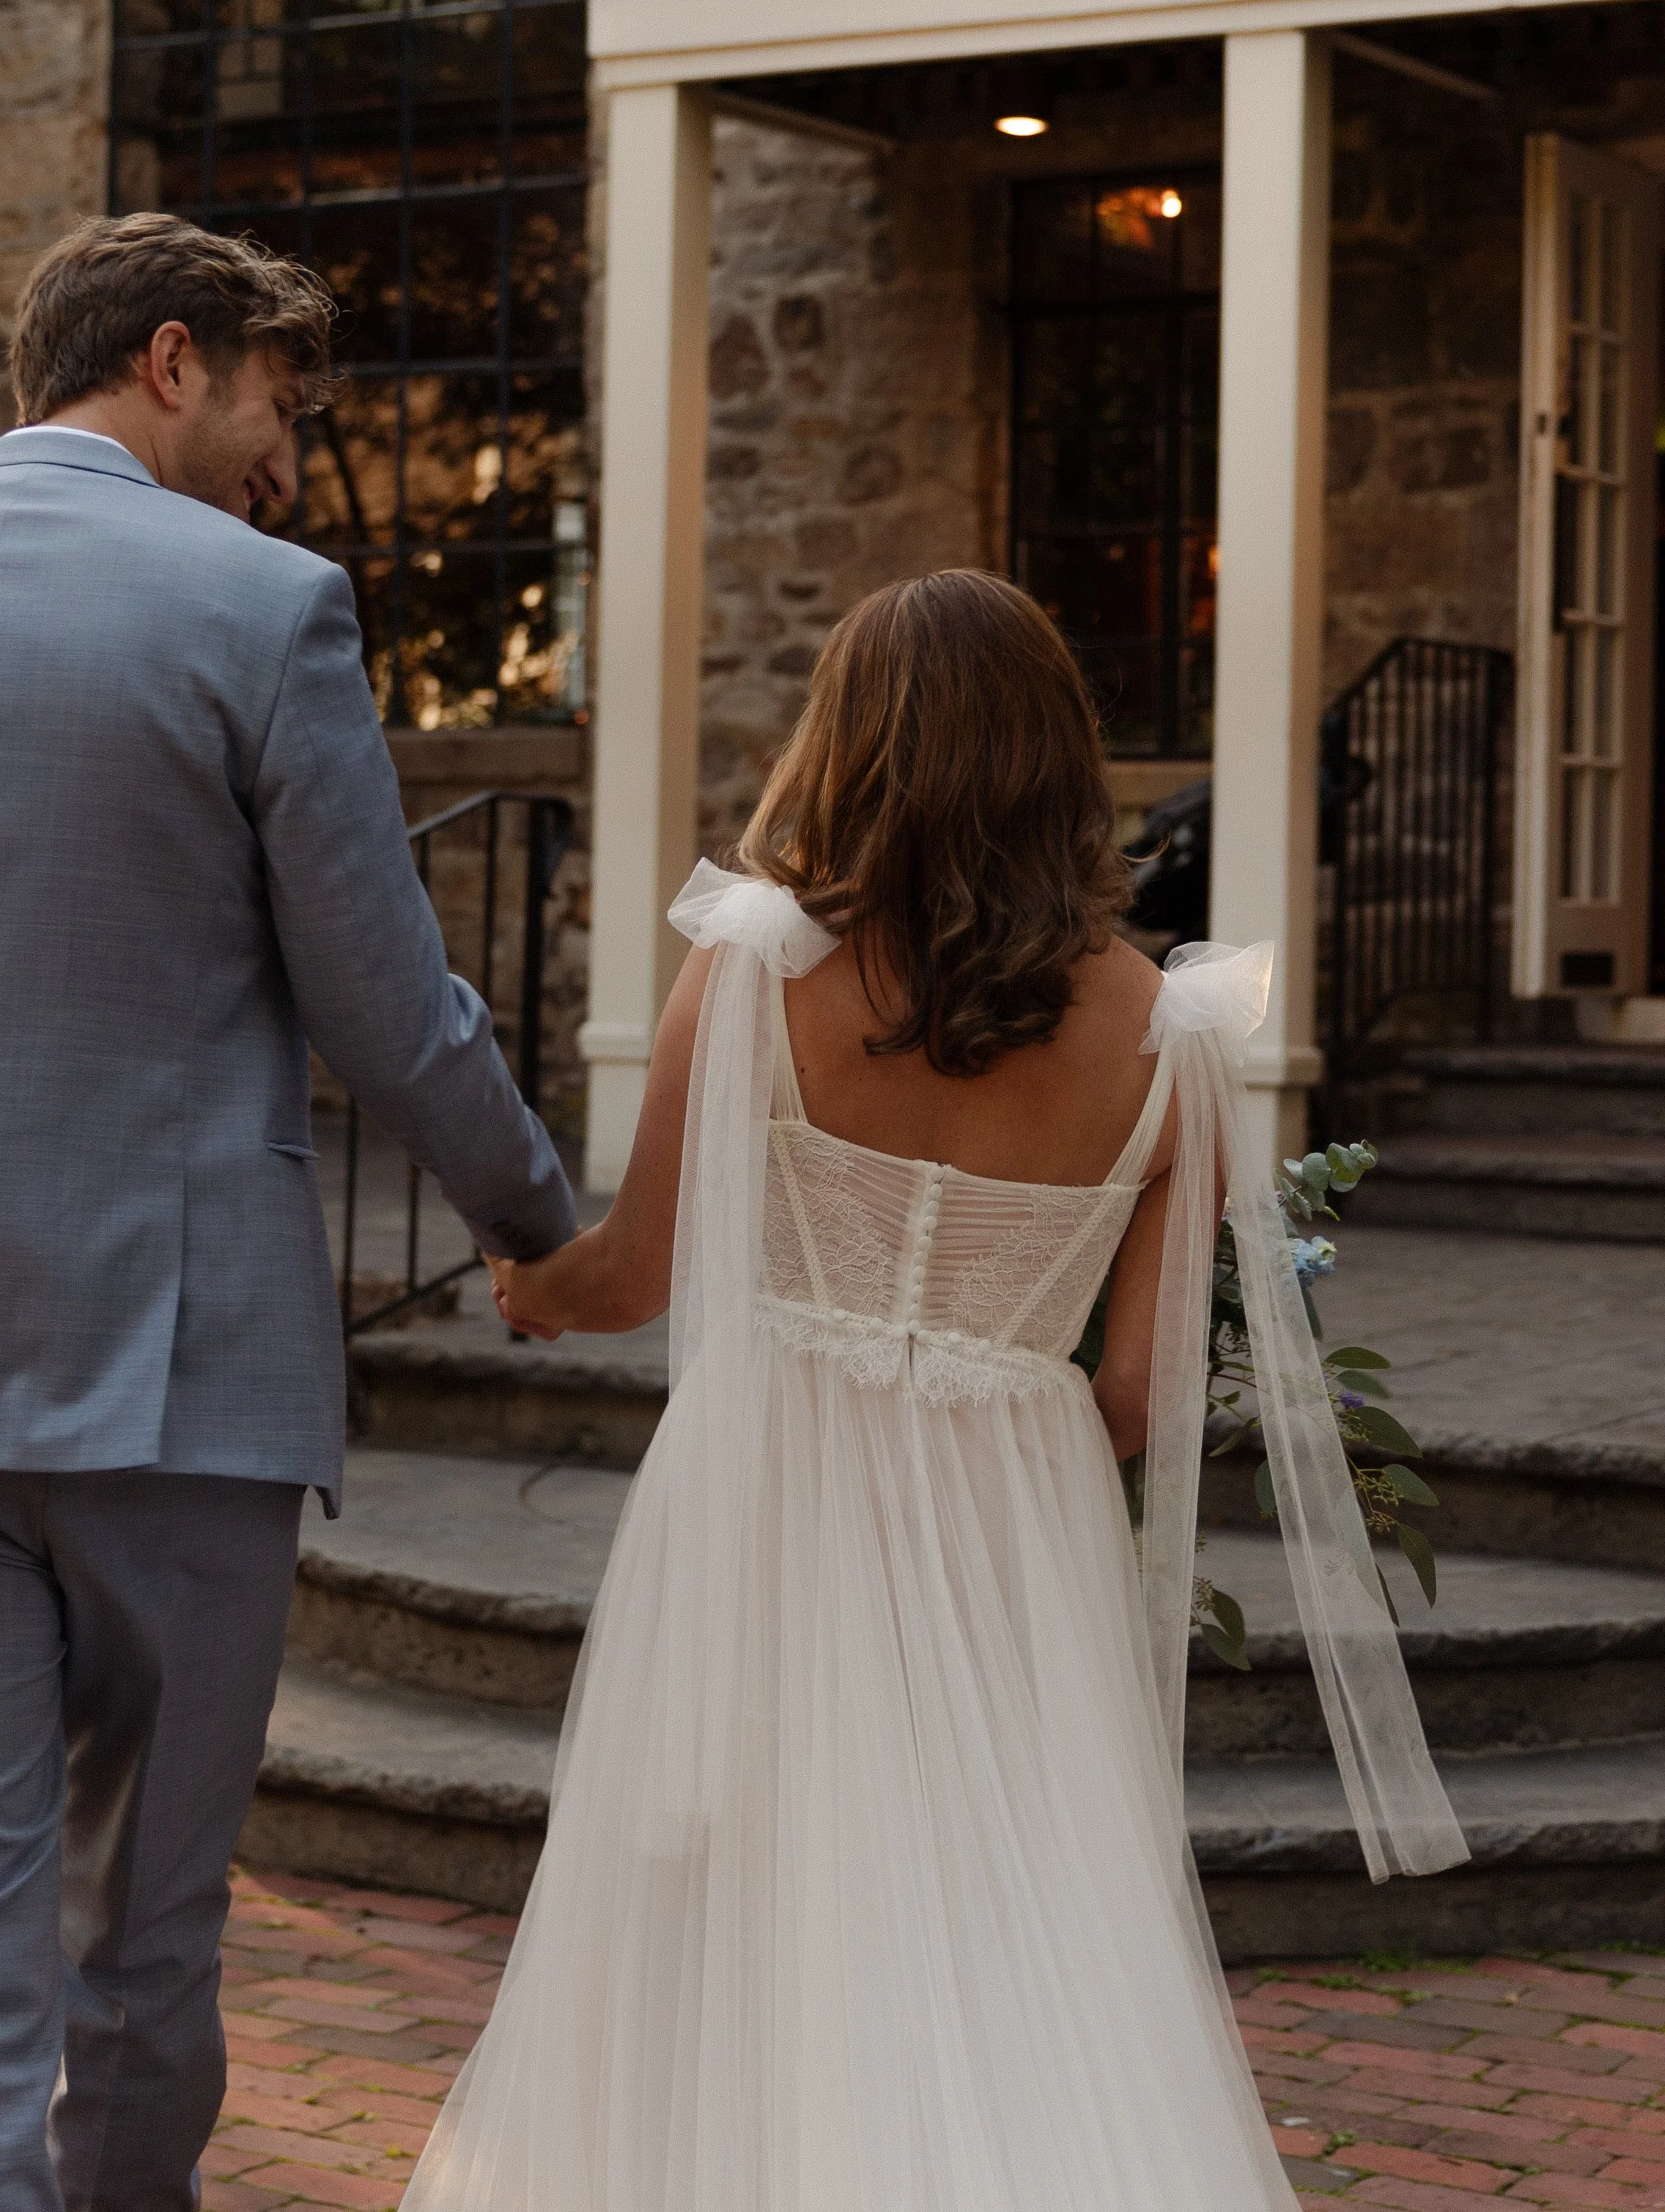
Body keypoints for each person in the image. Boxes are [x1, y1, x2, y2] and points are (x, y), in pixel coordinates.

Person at [405, 570, 1467, 2211]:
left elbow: (629, 1278)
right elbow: (1134, 1387)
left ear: (852, 743)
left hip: (769, 1493)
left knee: (737, 1899)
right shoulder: (1169, 1033)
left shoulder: (755, 969)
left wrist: (527, 1284)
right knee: (996, 1905)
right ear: (1058, 759)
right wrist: (991, 1419)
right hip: (1008, 1523)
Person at [0, 213, 576, 2212]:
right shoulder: (263, 608)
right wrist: (530, 1215)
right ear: (173, 360)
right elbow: (383, 1004)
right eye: (278, 402)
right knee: (143, 1934)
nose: (289, 458)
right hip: (174, 1382)